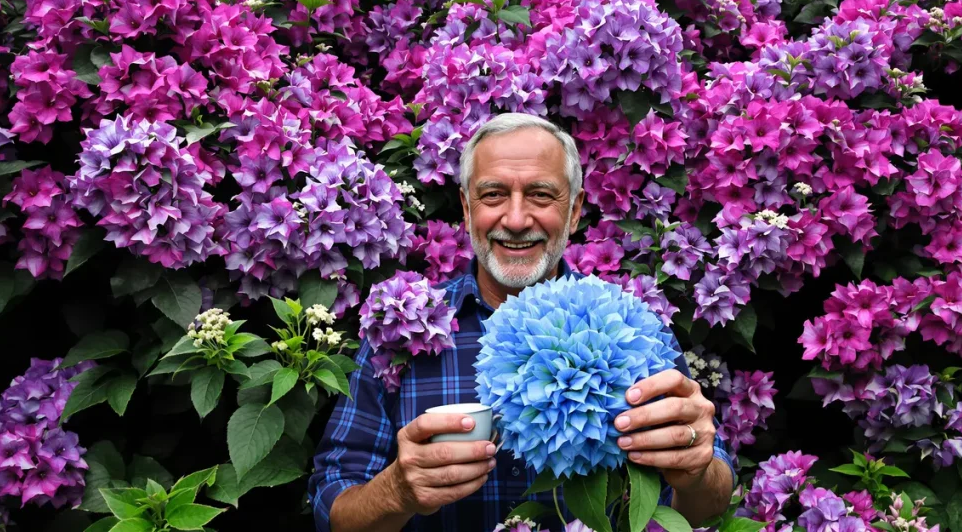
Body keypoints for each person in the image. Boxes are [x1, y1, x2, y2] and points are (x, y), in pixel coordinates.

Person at [308, 113, 735, 532]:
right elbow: (333, 509)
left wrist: (697, 470)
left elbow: (710, 505)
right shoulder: (403, 330)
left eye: (541, 195)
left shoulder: (634, 328)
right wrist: (397, 491)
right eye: (493, 194)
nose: (515, 220)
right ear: (466, 208)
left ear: (574, 211)